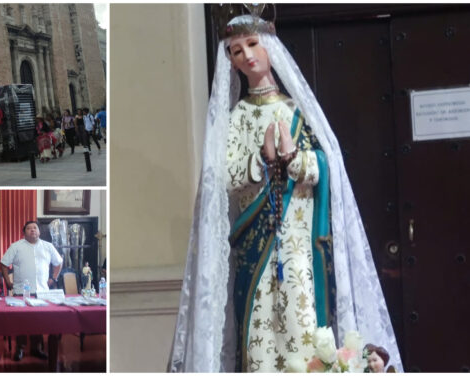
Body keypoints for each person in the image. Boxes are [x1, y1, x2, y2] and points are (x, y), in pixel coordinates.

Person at [168, 7, 402, 372]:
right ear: (230, 62)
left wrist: (293, 158)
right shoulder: (235, 119)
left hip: (300, 249)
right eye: (236, 50)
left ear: (270, 48)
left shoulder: (299, 111)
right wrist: (260, 159)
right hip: (253, 245)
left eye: (252, 44)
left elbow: (325, 168)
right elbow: (222, 180)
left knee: (302, 324)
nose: (246, 55)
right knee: (258, 329)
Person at [0, 221, 63, 361]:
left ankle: (36, 349)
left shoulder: (48, 246)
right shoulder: (16, 246)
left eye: (35, 228)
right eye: (29, 228)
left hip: (41, 292)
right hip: (20, 291)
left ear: (39, 231)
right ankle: (20, 349)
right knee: (21, 321)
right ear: (24, 232)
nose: (32, 230)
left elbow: (58, 262)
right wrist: (8, 282)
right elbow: (4, 264)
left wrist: (53, 278)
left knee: (38, 321)